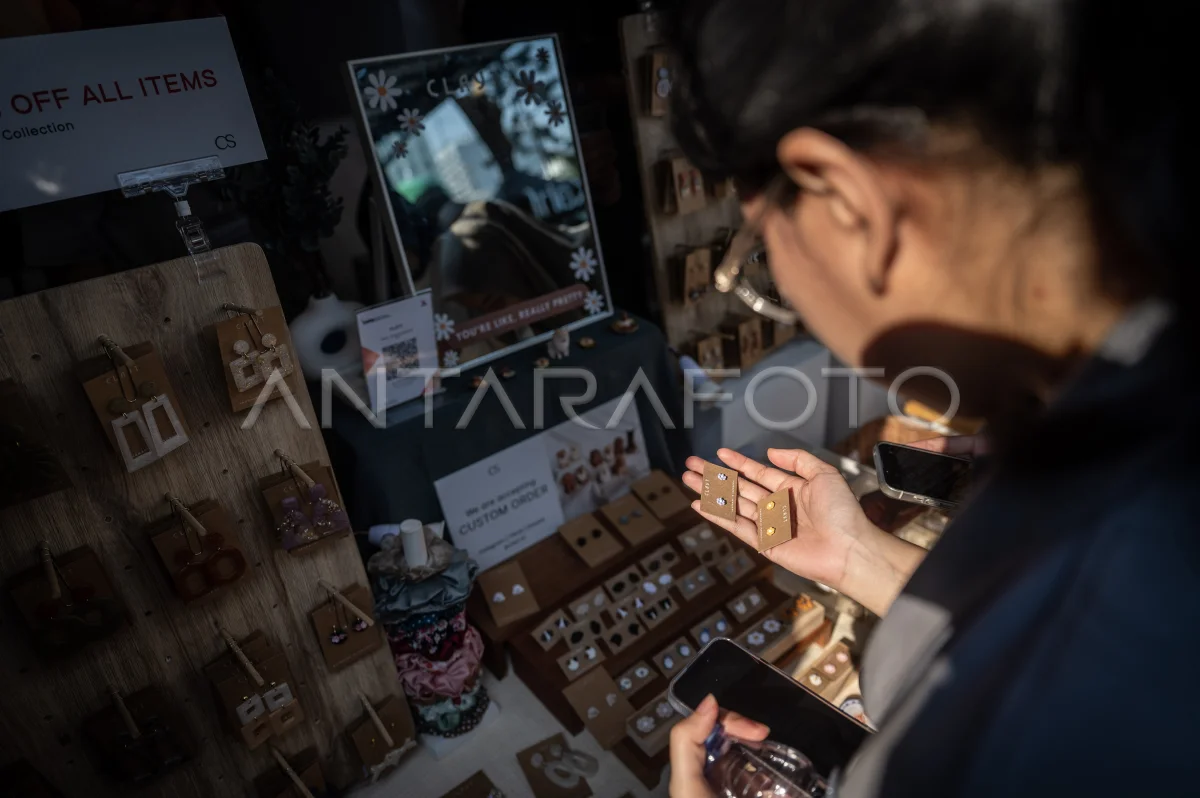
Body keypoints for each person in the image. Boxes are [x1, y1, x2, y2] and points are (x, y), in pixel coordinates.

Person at [665, 1, 1194, 795]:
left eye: (760, 255)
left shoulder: (1044, 701)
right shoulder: (1138, 413)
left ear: (849, 203)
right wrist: (860, 556)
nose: (782, 292)